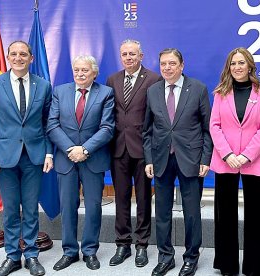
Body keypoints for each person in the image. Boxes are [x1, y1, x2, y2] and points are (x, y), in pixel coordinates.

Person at [143, 48, 212, 276]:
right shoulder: (152, 91)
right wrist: (149, 159)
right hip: (161, 159)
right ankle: (166, 257)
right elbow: (147, 130)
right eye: (163, 64)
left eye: (172, 63)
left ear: (182, 65)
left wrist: (205, 158)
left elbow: (207, 129)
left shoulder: (198, 89)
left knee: (191, 212)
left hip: (190, 158)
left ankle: (191, 257)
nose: (167, 68)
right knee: (162, 212)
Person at [0, 41, 53, 276]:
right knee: (10, 211)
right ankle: (12, 257)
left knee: (30, 208)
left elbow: (48, 123)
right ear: (7, 57)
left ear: (31, 58)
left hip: (34, 157)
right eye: (14, 54)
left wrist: (48, 152)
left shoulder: (44, 86)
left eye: (23, 54)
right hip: (4, 158)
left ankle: (32, 255)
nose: (18, 58)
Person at [47, 55, 115, 271]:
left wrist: (84, 149)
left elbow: (107, 128)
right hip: (66, 158)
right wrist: (71, 149)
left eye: (85, 70)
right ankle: (69, 251)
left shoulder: (105, 93)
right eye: (77, 70)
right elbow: (52, 125)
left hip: (92, 158)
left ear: (94, 73)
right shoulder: (60, 91)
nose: (80, 73)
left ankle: (89, 251)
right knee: (67, 206)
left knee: (94, 206)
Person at [210, 47, 260, 276]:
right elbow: (214, 126)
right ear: (229, 67)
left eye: (241, 63)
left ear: (250, 66)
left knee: (256, 215)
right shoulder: (219, 93)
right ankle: (227, 265)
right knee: (224, 215)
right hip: (226, 160)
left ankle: (255, 266)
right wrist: (228, 154)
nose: (237, 67)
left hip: (253, 160)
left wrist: (246, 155)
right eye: (233, 63)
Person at [106, 39, 161, 267]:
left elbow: (156, 117)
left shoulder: (153, 80)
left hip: (142, 148)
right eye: (125, 54)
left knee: (143, 198)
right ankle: (122, 244)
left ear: (141, 56)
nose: (128, 58)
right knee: (120, 198)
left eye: (132, 54)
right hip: (118, 147)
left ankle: (142, 245)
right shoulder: (113, 80)